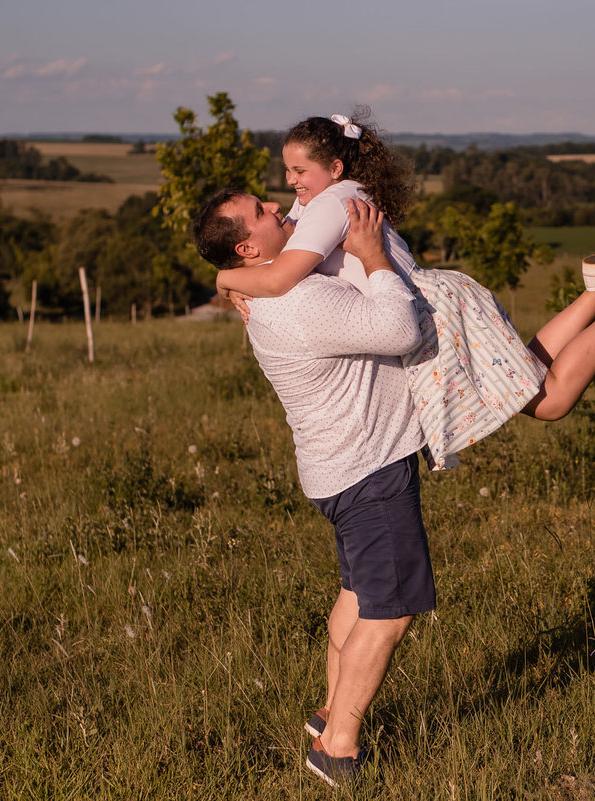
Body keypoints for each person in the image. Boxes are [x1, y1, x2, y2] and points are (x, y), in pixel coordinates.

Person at [213, 110, 595, 470]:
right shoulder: (324, 198)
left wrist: (225, 278)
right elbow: (282, 239)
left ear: (335, 168)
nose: (289, 183)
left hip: (430, 313)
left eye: (299, 172)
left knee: (549, 400)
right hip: (438, 301)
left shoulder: (330, 204)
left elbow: (278, 277)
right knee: (529, 373)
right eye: (287, 170)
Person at [193, 193, 427, 787]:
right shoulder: (299, 298)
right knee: (390, 610)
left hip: (334, 471)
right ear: (249, 247)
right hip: (369, 470)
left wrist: (226, 279)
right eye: (261, 209)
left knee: (357, 594)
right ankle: (337, 749)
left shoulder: (271, 291)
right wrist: (374, 256)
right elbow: (401, 329)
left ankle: (328, 710)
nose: (278, 203)